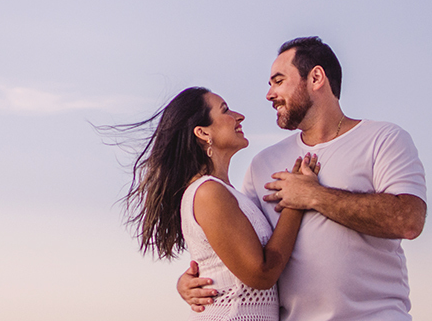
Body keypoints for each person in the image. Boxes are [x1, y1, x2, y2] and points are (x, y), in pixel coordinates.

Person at [179, 37, 427, 321]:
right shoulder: (262, 164)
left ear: (316, 77)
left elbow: (408, 220)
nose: (269, 94)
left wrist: (314, 196)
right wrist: (190, 280)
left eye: (278, 81)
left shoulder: (383, 139)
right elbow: (241, 244)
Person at [106, 86, 318, 320]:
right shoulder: (208, 193)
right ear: (203, 133)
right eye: (225, 110)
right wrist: (295, 204)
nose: (239, 116)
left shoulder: (226, 192)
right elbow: (261, 274)